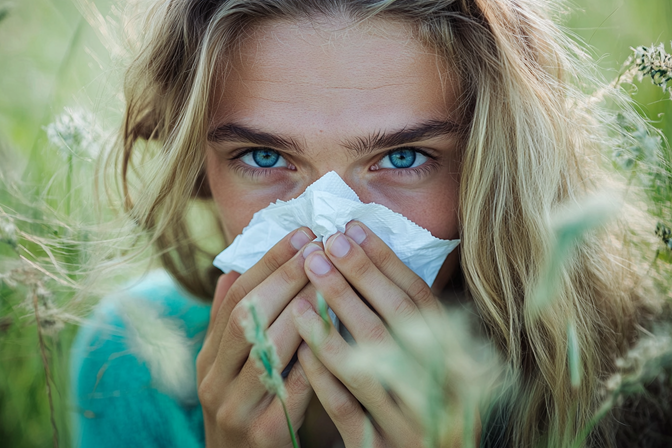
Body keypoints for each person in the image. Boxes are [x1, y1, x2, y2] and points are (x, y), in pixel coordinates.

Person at [70, 0, 661, 447]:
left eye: (403, 158)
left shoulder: (633, 377)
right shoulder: (133, 358)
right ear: (198, 167)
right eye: (264, 157)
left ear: (495, 165)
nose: (331, 235)